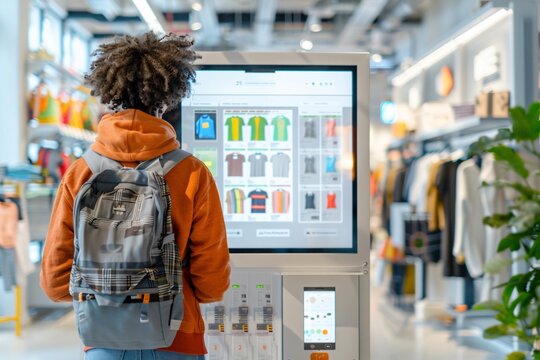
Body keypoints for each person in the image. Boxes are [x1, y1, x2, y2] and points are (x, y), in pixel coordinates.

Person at [40, 32, 230, 360]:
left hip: (102, 336)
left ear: (109, 92)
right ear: (167, 97)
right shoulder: (193, 172)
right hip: (176, 335)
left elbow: (55, 282)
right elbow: (211, 282)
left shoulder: (80, 172)